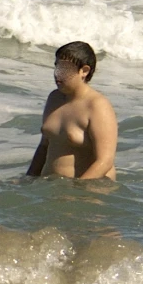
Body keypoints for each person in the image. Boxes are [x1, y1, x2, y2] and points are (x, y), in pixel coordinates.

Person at [27, 41, 117, 180]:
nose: (57, 74)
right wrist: (28, 180)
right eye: (57, 66)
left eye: (65, 69)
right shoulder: (54, 98)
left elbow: (105, 161)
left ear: (84, 71)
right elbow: (44, 146)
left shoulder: (97, 105)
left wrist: (78, 190)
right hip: (53, 188)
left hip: (88, 190)